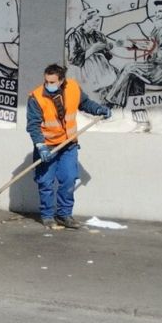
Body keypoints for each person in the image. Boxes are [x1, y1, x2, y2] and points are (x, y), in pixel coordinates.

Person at [25, 64, 111, 230]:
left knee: (69, 179)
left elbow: (85, 103)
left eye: (52, 82)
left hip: (68, 144)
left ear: (61, 80)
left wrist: (99, 109)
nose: (48, 84)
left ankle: (64, 215)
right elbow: (33, 125)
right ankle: (48, 216)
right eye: (46, 81)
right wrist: (40, 145)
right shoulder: (36, 97)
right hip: (47, 146)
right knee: (46, 182)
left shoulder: (73, 88)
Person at [101, 0, 162, 115]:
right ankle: (136, 110)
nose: (156, 15)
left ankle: (110, 104)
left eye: (160, 12)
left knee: (130, 68)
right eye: (156, 12)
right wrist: (132, 45)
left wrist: (155, 52)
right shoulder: (157, 30)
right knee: (132, 74)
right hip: (156, 67)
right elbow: (148, 46)